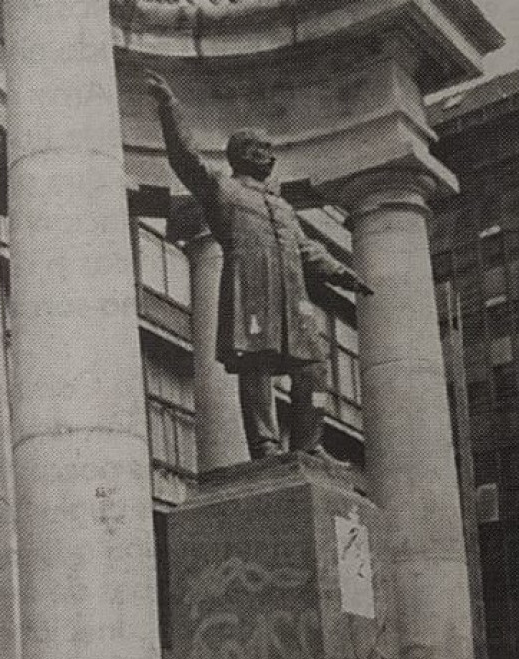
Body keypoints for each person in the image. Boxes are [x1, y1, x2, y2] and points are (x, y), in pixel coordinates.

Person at [146, 71, 372, 460]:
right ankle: (264, 442)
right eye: (263, 149)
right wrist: (170, 108)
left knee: (314, 368)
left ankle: (308, 442)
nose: (271, 156)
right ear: (245, 154)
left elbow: (305, 250)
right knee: (256, 365)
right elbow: (185, 159)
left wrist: (343, 273)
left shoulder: (282, 206)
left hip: (292, 296)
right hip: (248, 288)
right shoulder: (222, 188)